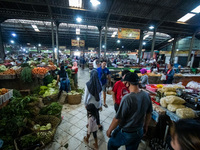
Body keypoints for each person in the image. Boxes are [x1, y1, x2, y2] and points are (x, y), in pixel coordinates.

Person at [107, 72, 152, 150]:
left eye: (125, 83)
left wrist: (109, 130)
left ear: (128, 83)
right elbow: (149, 113)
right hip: (139, 131)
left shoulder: (127, 98)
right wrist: (145, 126)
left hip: (127, 132)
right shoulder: (146, 95)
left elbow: (117, 119)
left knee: (111, 145)